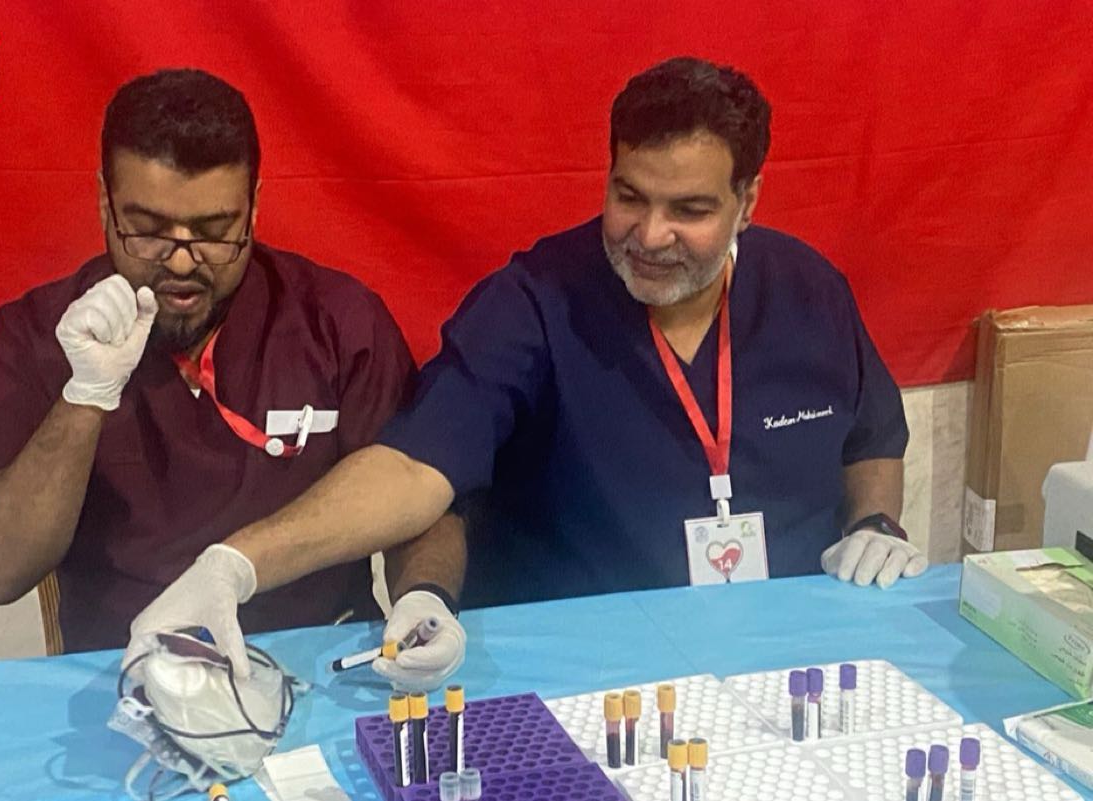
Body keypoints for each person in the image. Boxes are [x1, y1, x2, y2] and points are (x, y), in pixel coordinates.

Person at [126, 57, 926, 657]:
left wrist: (876, 522)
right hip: (585, 666)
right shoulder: (535, 301)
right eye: (629, 196)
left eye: (689, 210)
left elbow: (872, 435)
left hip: (788, 653)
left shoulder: (809, 289)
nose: (650, 235)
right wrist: (235, 564)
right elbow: (413, 468)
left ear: (747, 201)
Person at [0, 68, 465, 690]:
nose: (182, 260)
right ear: (105, 203)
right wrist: (83, 398)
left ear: (254, 208)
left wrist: (425, 596)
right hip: (124, 679)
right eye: (148, 230)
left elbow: (421, 495)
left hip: (320, 667)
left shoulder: (338, 321)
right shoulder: (36, 335)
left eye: (216, 232)